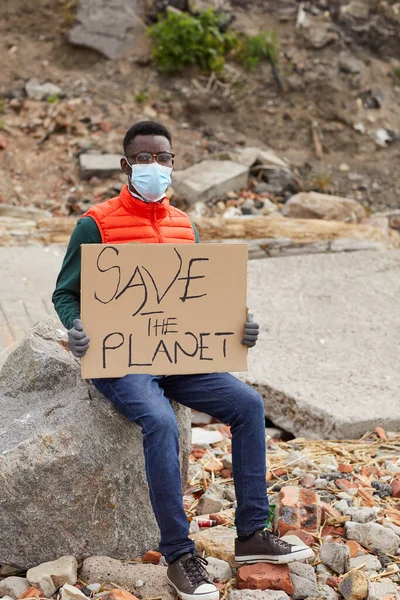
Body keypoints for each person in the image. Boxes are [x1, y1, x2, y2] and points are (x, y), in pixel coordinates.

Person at [53, 121, 313, 600]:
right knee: (162, 422)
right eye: (145, 158)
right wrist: (76, 327)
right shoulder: (96, 223)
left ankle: (254, 533)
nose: (156, 167)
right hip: (121, 362)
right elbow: (65, 293)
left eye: (164, 157)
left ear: (173, 162)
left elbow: (201, 302)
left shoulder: (184, 225)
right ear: (125, 165)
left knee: (249, 405)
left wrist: (241, 324)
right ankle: (178, 555)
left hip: (179, 358)